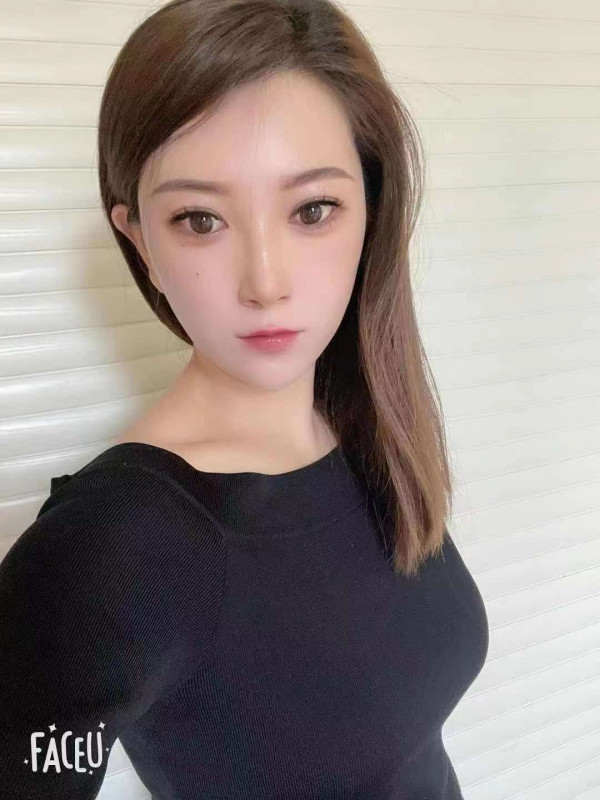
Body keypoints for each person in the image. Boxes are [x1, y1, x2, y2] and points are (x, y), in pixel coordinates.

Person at [0, 1, 489, 798]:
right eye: (200, 220)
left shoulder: (364, 425)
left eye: (312, 210)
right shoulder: (111, 550)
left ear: (371, 212)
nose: (265, 282)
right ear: (140, 243)